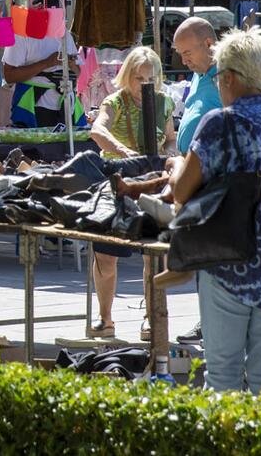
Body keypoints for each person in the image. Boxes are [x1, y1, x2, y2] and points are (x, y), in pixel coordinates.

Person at [172, 28, 261, 393]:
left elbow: (181, 191)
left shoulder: (221, 122)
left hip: (229, 262)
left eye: (218, 76)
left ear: (230, 77)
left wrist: (175, 170)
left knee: (222, 375)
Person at [86, 45, 176, 337]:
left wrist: (171, 155)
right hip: (119, 182)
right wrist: (122, 150)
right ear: (128, 76)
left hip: (153, 182)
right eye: (139, 78)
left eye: (149, 79)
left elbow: (171, 138)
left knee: (154, 256)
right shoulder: (116, 101)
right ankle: (105, 317)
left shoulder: (163, 103)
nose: (143, 85)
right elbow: (97, 130)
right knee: (106, 253)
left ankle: (152, 317)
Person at [0, 21, 78, 129]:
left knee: (66, 145)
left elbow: (78, 72)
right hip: (34, 106)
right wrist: (47, 63)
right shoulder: (21, 34)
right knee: (35, 146)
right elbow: (10, 76)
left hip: (68, 106)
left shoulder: (65, 34)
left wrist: (72, 65)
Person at [171, 17, 223, 155]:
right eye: (180, 54)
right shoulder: (197, 72)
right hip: (188, 162)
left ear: (208, 43)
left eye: (187, 53)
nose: (183, 61)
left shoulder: (227, 77)